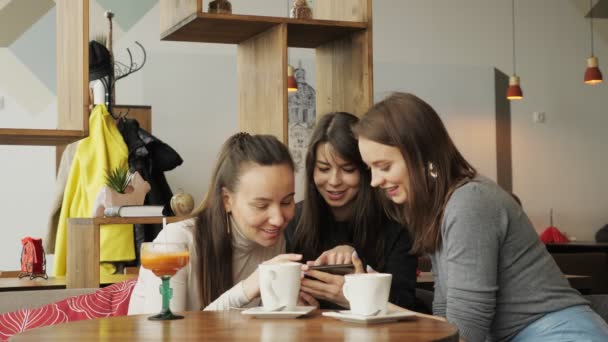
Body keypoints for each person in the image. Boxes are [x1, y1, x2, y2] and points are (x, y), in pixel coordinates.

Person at [353, 92, 608, 341]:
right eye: (370, 168)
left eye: (384, 167)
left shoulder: (469, 202)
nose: (375, 181)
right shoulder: (436, 209)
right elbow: (446, 312)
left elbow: (466, 328)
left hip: (559, 333)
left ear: (422, 155)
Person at [128, 132, 317, 314]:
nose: (278, 219)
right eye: (261, 205)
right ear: (227, 200)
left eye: (286, 202)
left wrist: (293, 309)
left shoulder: (274, 242)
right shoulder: (176, 242)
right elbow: (164, 334)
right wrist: (245, 290)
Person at [285, 112, 417, 310]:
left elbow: (406, 304)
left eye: (347, 170)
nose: (334, 181)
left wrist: (357, 288)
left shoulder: (395, 223)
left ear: (365, 171)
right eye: (323, 168)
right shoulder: (292, 219)